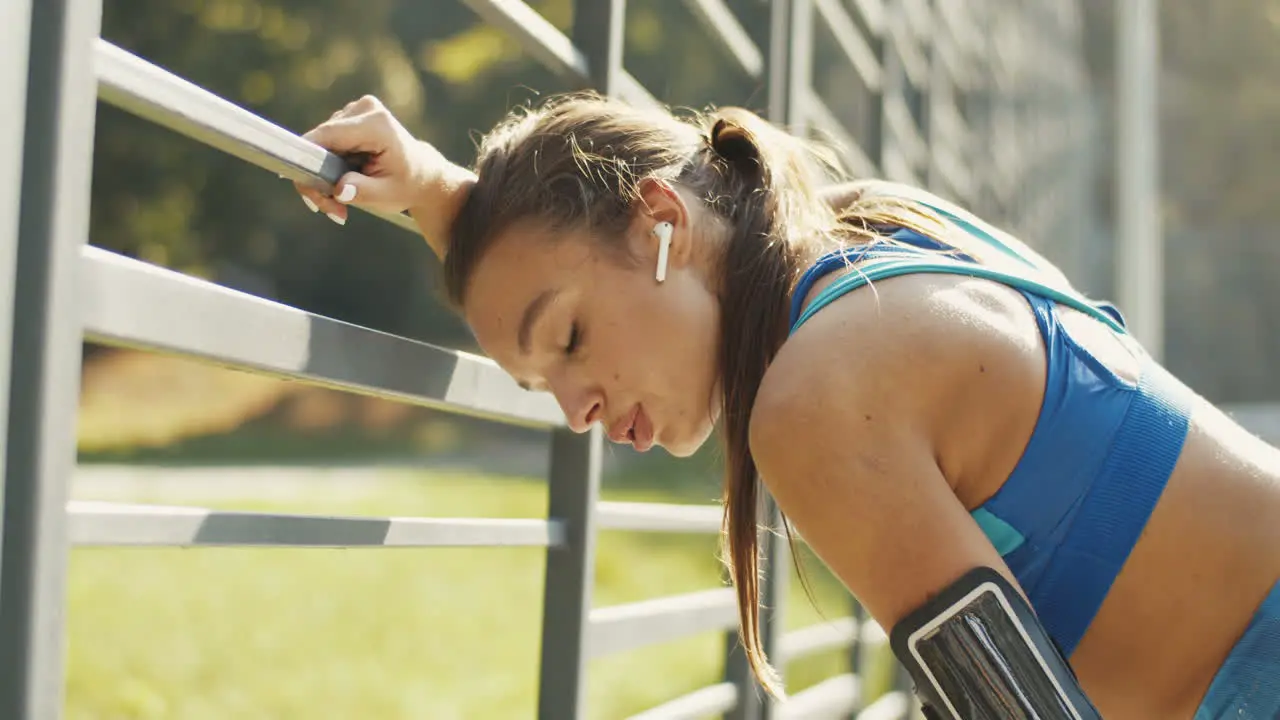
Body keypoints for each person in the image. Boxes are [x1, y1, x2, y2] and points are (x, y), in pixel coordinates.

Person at [293, 92, 1280, 719]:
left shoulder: (814, 400)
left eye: (570, 343)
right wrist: (438, 190)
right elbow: (587, 227)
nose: (576, 411)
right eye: (540, 384)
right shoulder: (881, 227)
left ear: (663, 224)